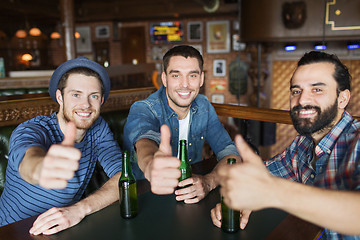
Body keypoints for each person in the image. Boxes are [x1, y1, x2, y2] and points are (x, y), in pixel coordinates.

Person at [210, 51, 360, 239]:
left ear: (342, 99)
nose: (302, 100)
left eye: (317, 89)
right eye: (296, 91)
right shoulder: (302, 144)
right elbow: (261, 177)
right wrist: (233, 197)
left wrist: (275, 192)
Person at [0, 57, 123, 235]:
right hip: (12, 231)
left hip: (62, 229)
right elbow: (28, 158)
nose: (86, 105)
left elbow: (123, 175)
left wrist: (80, 209)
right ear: (60, 97)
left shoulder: (98, 128)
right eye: (76, 94)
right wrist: (41, 169)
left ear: (101, 99)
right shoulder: (33, 129)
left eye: (93, 96)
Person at [124, 45, 240, 204]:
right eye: (176, 75)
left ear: (201, 79)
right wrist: (151, 164)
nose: (185, 84)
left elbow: (231, 154)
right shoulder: (143, 108)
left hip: (190, 198)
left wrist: (208, 182)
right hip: (147, 198)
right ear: (164, 79)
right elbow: (144, 141)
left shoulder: (203, 106)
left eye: (192, 76)